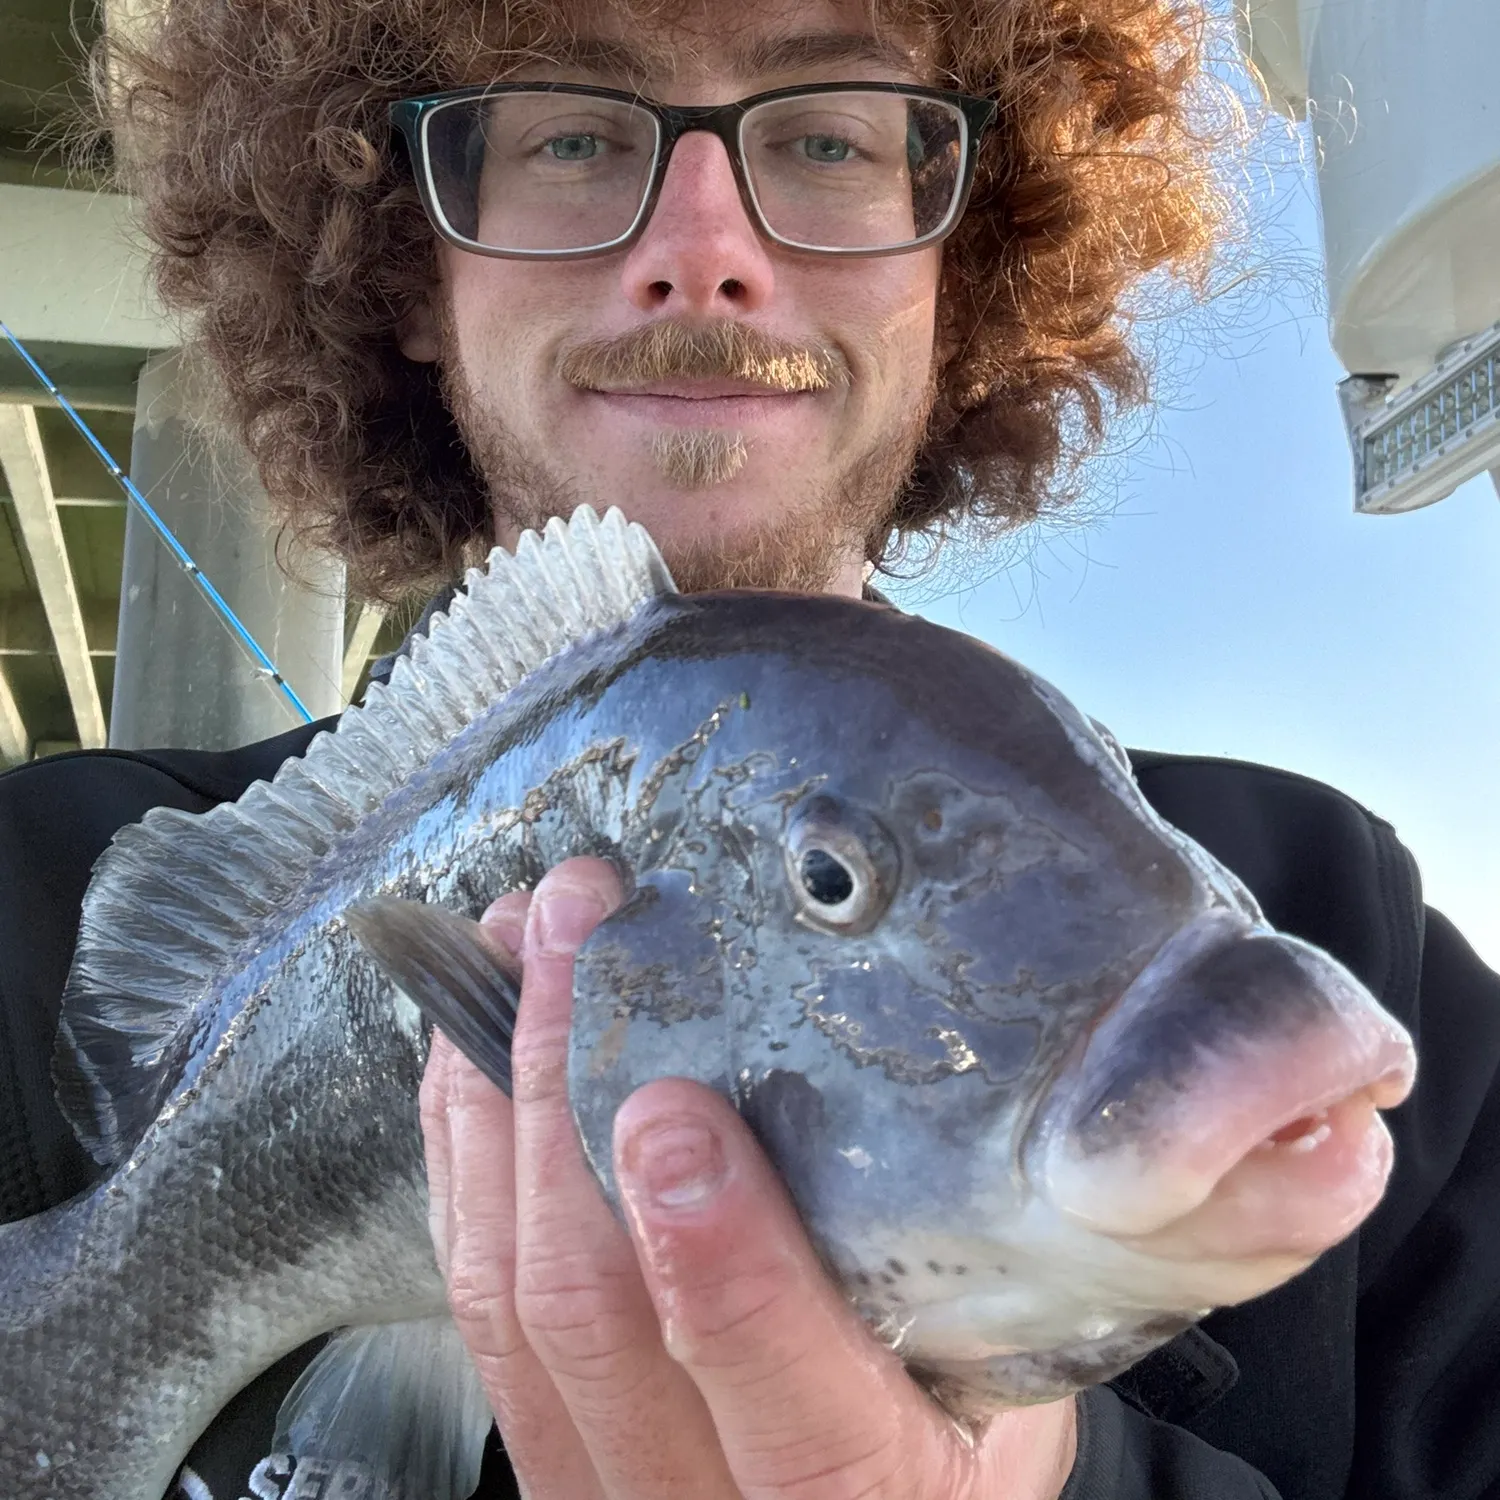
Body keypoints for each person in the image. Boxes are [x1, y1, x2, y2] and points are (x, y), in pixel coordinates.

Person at [1, 1, 1497, 1497]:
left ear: (957, 270)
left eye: (830, 138)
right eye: (572, 137)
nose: (704, 247)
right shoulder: (26, 899)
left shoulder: (1356, 930)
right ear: (409, 271)